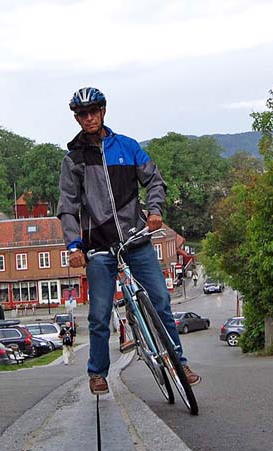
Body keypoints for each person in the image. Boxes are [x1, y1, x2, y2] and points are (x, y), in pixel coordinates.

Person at [57, 86, 201, 396]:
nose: (89, 117)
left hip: (136, 238)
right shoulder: (74, 161)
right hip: (98, 247)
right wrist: (73, 246)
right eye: (83, 114)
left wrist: (156, 211)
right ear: (77, 118)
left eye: (94, 111)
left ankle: (179, 361)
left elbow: (154, 180)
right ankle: (97, 373)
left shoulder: (128, 147)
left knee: (162, 301)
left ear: (104, 111)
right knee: (98, 314)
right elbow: (67, 208)